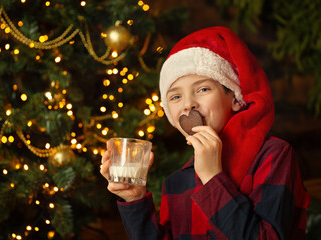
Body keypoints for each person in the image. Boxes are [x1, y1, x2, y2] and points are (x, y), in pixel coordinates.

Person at [100, 26, 310, 239]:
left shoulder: (273, 156)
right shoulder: (176, 182)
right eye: (175, 97)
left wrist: (212, 177)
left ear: (236, 98)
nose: (188, 105)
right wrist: (134, 198)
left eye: (202, 89)